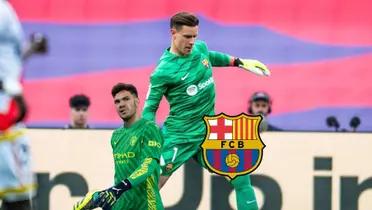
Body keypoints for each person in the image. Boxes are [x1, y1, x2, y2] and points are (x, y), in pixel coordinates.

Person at [142, 12, 271, 210]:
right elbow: (149, 109)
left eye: (195, 36)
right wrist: (150, 139)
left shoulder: (199, 48)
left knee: (241, 175)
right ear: (173, 33)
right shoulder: (163, 71)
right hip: (179, 136)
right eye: (187, 36)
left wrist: (239, 62)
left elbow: (211, 57)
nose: (192, 41)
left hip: (210, 129)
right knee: (149, 189)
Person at [74, 83, 164, 210]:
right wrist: (106, 197)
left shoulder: (149, 129)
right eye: (117, 101)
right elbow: (120, 175)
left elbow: (148, 165)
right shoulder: (116, 136)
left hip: (147, 205)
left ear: (137, 101)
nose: (121, 104)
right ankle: (96, 196)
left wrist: (119, 188)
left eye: (126, 99)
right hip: (122, 205)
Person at [0, 0, 47, 209]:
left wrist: (31, 48)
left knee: (17, 198)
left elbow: (11, 61)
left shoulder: (5, 11)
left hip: (8, 122)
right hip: (6, 124)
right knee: (17, 200)